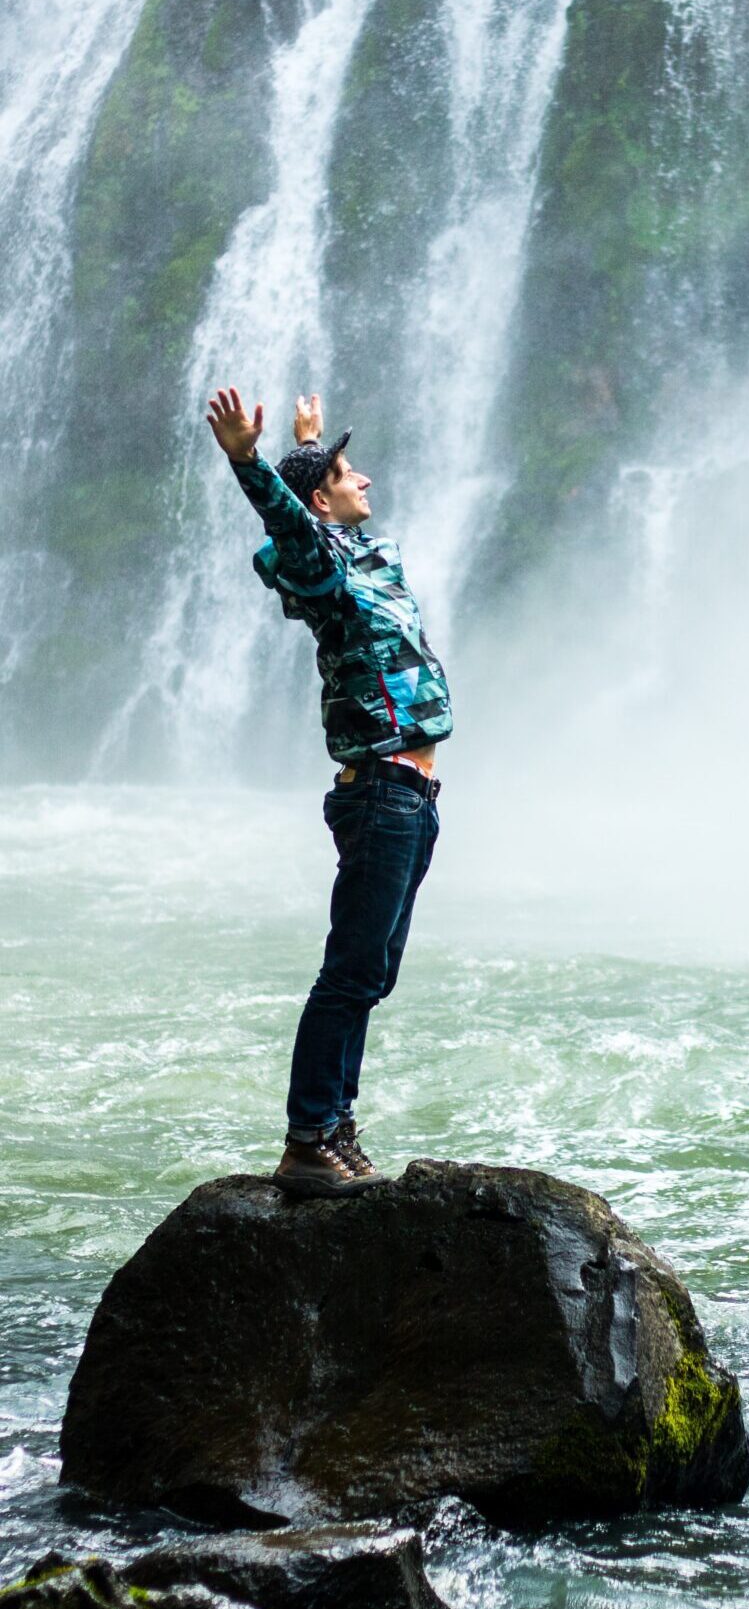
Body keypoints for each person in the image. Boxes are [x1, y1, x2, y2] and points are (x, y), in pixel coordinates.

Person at [206, 386, 453, 1197]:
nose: (368, 479)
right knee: (348, 974)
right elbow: (290, 533)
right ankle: (308, 1136)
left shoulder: (368, 558)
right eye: (351, 474)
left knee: (371, 974)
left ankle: (336, 1126)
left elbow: (325, 522)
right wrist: (252, 463)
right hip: (380, 791)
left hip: (413, 798)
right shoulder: (323, 573)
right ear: (320, 501)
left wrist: (313, 449)